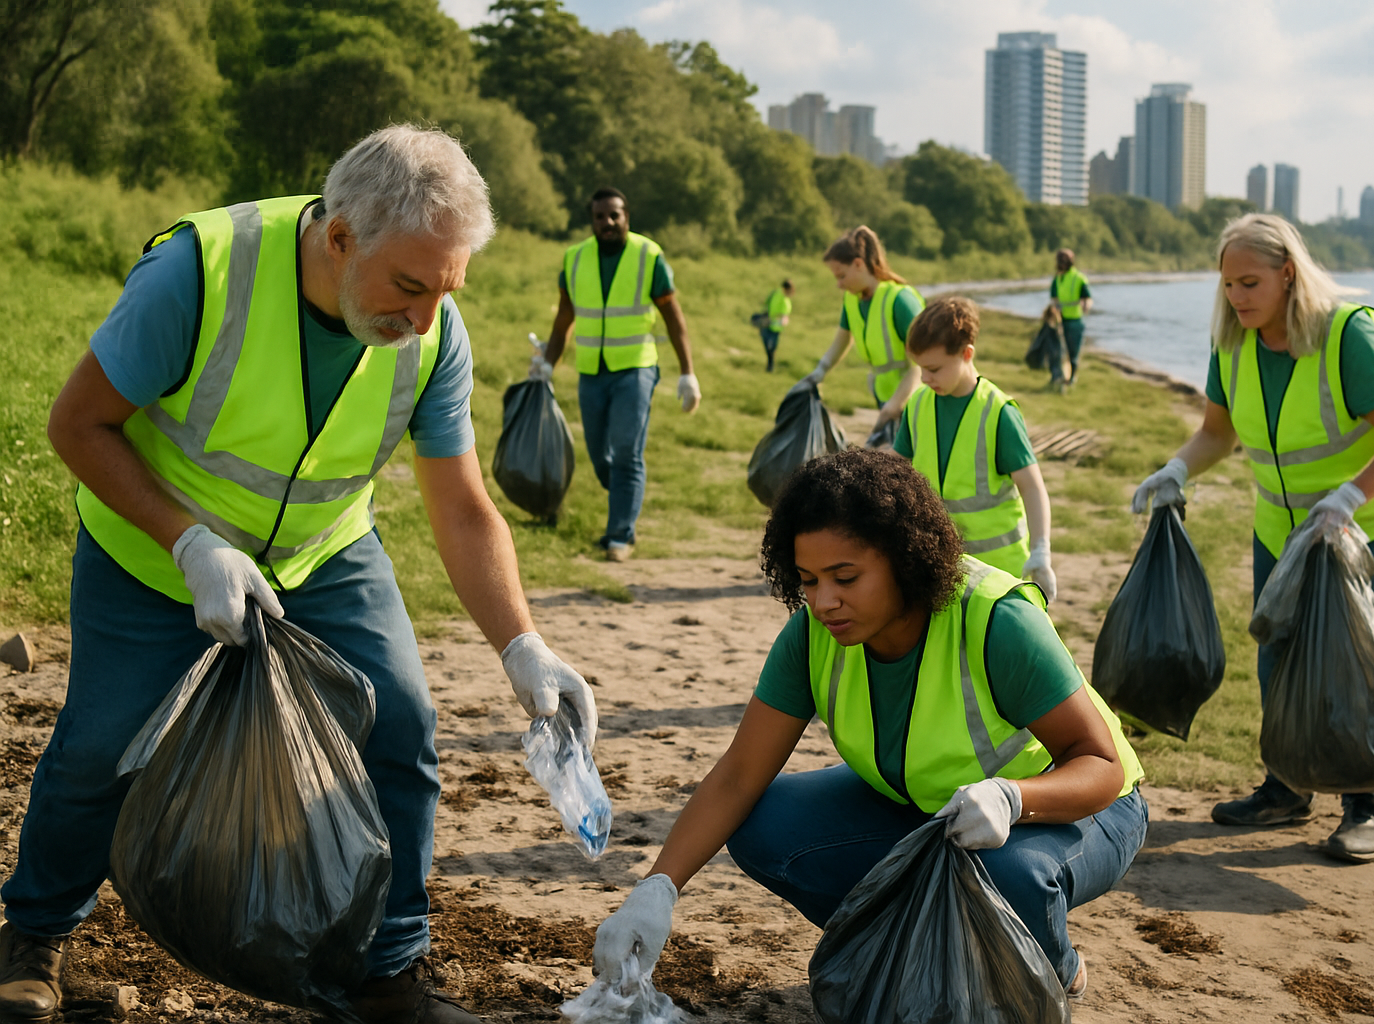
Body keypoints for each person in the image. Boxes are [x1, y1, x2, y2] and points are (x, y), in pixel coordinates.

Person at [0, 127, 598, 1024]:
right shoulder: (198, 275)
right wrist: (191, 543)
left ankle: (386, 971)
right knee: (99, 746)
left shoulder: (434, 335)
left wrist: (524, 645)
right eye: (409, 287)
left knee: (401, 722)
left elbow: (464, 505)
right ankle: (36, 932)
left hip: (321, 552)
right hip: (154, 554)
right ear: (341, 237)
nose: (426, 318)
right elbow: (78, 425)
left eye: (447, 289)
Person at [589, 449, 1147, 1000]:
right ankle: (913, 941)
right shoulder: (812, 635)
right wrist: (657, 888)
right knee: (765, 827)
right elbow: (739, 775)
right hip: (926, 806)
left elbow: (1100, 765)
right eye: (807, 580)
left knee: (1008, 877)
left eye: (845, 577)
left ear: (904, 558)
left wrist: (1012, 798)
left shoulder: (997, 620)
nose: (824, 601)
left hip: (1074, 807)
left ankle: (1057, 967)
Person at [1132, 213, 1374, 863]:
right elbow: (1217, 432)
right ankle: (1287, 788)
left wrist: (1348, 499)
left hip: (1370, 519)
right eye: (1228, 284)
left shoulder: (1347, 334)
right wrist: (1178, 467)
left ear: (1287, 274)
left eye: (1249, 282)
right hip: (1284, 527)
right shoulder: (1231, 343)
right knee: (1277, 657)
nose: (1237, 297)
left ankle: (1368, 805)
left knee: (1347, 664)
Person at [532, 187, 701, 562]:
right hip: (591, 371)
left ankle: (619, 536)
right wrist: (548, 362)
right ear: (591, 220)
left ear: (626, 217)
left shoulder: (648, 255)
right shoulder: (575, 259)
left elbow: (674, 319)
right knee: (599, 456)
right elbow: (564, 320)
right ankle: (627, 495)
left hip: (636, 369)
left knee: (626, 450)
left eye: (615, 216)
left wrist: (687, 373)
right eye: (599, 217)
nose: (607, 223)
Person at [896, 296, 1057, 602]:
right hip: (939, 566)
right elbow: (895, 465)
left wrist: (1041, 551)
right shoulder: (917, 404)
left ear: (967, 353)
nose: (925, 378)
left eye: (933, 368)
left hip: (999, 575)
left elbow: (1032, 487)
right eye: (920, 369)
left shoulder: (999, 412)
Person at [799, 226, 926, 443]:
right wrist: (821, 370)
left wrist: (894, 405)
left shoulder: (900, 300)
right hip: (885, 399)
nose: (839, 285)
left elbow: (923, 363)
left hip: (916, 400)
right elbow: (843, 337)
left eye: (841, 276)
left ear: (858, 264)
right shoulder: (853, 300)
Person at [1048, 248, 1091, 387]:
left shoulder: (1079, 278)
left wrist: (1085, 308)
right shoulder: (1057, 279)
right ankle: (1059, 377)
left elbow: (1087, 299)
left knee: (1073, 353)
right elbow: (1054, 299)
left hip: (1075, 320)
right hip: (1060, 320)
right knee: (1059, 351)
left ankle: (1071, 378)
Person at [757, 278, 794, 372]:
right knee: (771, 346)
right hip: (772, 325)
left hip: (772, 325)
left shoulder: (777, 294)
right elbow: (784, 314)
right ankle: (770, 363)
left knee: (769, 345)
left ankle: (770, 364)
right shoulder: (784, 299)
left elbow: (767, 303)